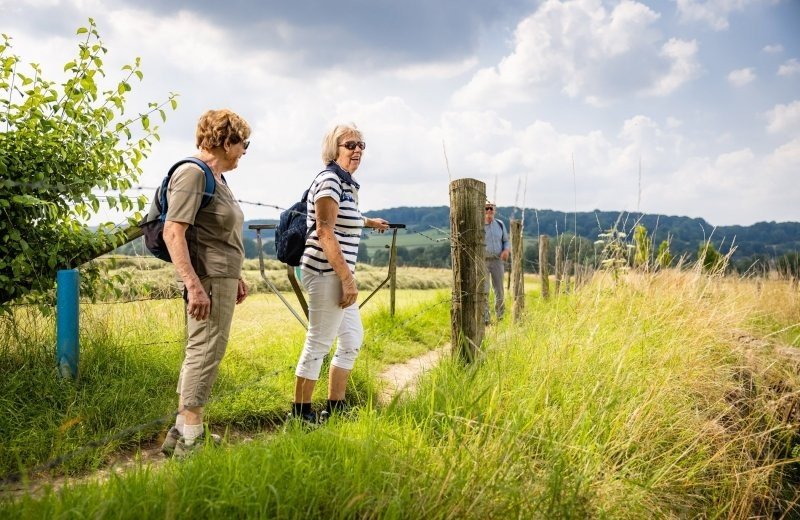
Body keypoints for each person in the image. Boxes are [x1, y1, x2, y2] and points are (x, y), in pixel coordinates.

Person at [159, 109, 251, 456]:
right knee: (206, 352)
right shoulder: (192, 173)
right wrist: (194, 285)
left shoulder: (216, 177)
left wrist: (235, 273)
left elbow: (216, 232)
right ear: (227, 140)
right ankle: (192, 440)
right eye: (244, 143)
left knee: (202, 350)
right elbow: (173, 230)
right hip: (208, 280)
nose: (244, 151)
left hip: (220, 277)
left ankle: (181, 432)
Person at [291, 123, 389, 424]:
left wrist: (368, 221)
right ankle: (300, 415)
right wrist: (347, 279)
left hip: (338, 272)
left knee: (351, 338)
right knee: (319, 341)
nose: (357, 150)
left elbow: (344, 217)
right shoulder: (330, 180)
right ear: (334, 149)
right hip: (325, 271)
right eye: (350, 145)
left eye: (361, 145)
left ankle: (335, 407)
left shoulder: (346, 185)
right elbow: (324, 230)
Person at [484, 201, 510, 325]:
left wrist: (506, 250)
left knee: (499, 289)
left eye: (491, 208)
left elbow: (506, 240)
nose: (489, 211)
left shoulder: (500, 224)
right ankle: (486, 320)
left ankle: (500, 317)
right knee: (484, 290)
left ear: (495, 210)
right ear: (482, 210)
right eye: (486, 208)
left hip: (497, 261)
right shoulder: (478, 225)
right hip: (482, 261)